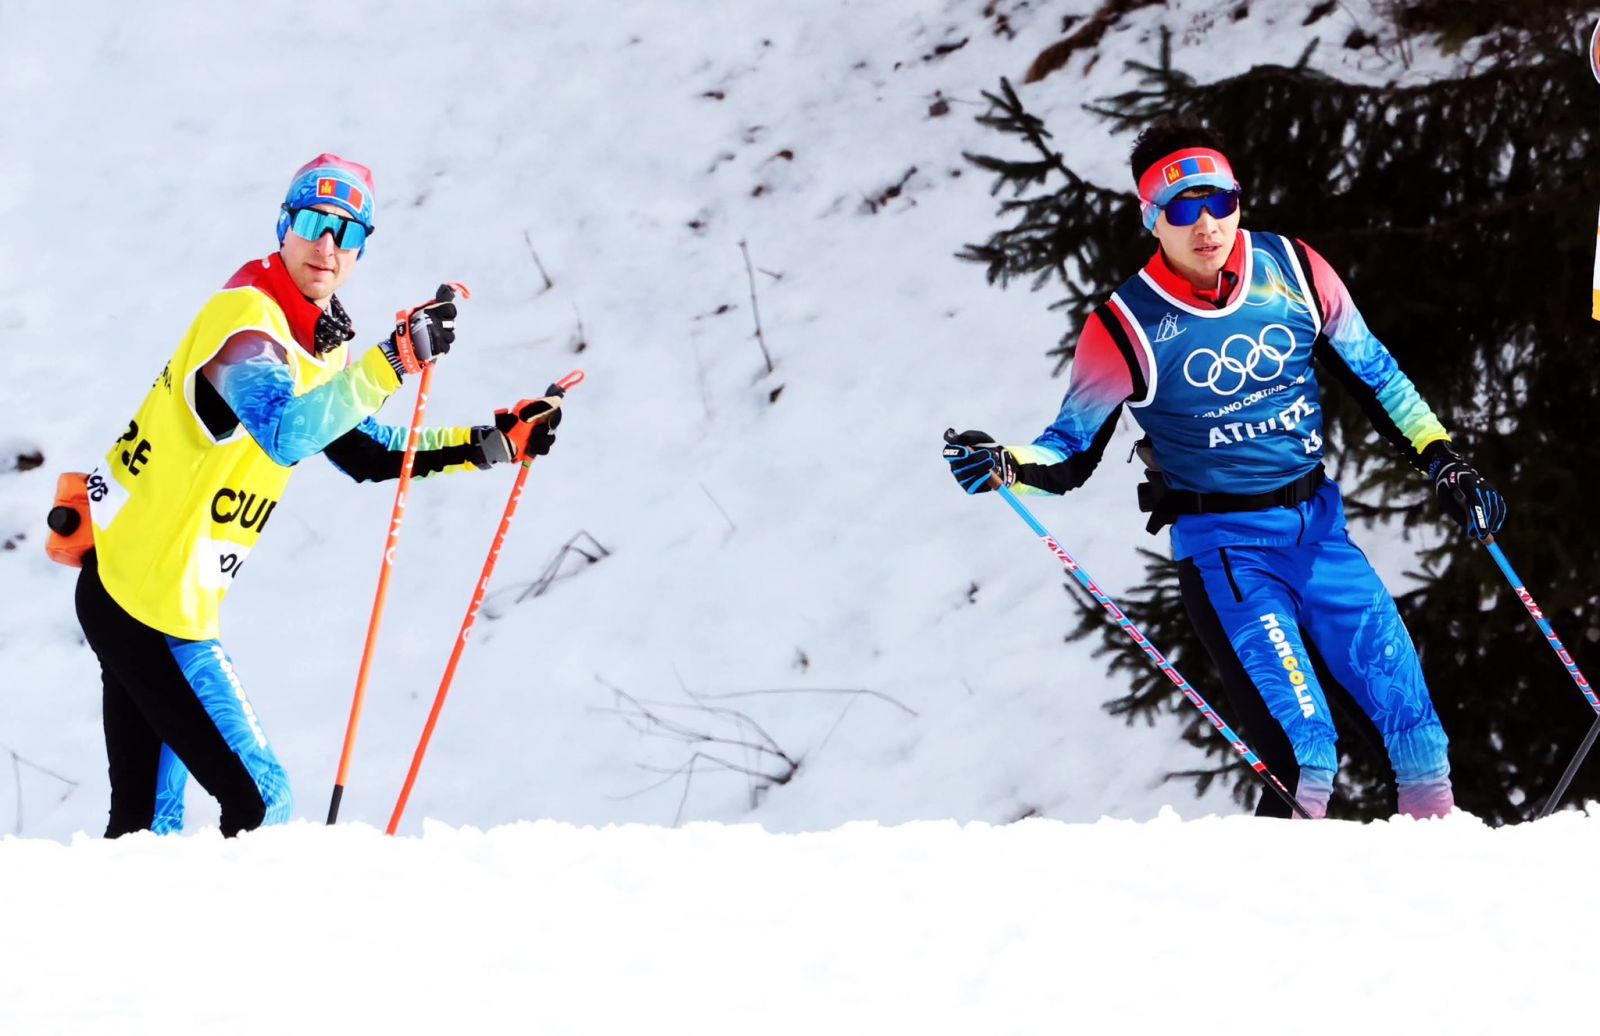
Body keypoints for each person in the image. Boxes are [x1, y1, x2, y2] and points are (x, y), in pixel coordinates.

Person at [944, 119, 1507, 819]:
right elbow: (1069, 447)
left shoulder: (1295, 269)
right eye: (1183, 210)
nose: (1207, 225)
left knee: (1418, 738)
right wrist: (1007, 463)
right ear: (1151, 218)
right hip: (1228, 555)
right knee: (1306, 759)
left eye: (1221, 202)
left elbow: (1377, 377)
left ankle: (1441, 876)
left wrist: (1444, 462)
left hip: (1321, 537)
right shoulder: (1124, 326)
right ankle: (1272, 888)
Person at [72, 154, 562, 837]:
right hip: (142, 601)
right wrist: (394, 359)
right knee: (260, 802)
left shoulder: (319, 341)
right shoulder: (245, 320)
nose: (327, 245)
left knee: (145, 828)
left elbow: (364, 451)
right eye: (312, 223)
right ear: (284, 227)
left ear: (361, 249)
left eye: (347, 231)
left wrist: (489, 443)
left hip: (158, 599)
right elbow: (284, 432)